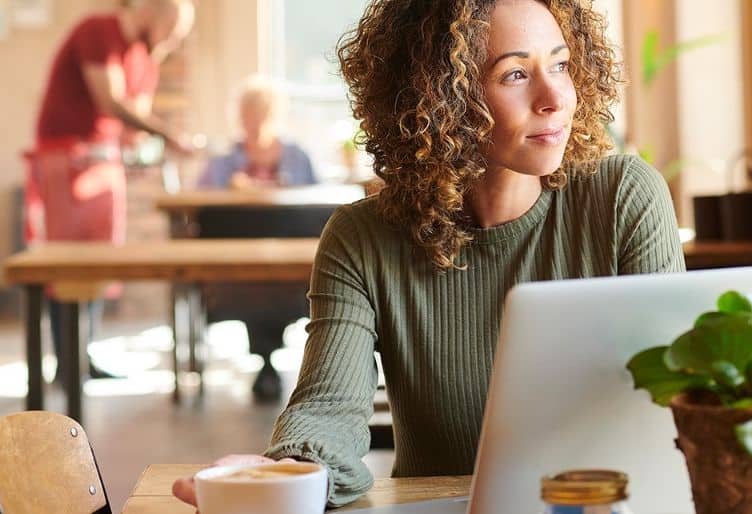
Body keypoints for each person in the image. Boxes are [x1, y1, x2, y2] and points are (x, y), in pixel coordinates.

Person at [173, 0, 684, 508]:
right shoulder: (362, 238)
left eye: (561, 64)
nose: (555, 97)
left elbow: (680, 398)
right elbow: (329, 408)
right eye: (513, 75)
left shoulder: (622, 198)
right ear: (442, 96)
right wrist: (288, 474)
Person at [25, 0, 196, 380]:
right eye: (172, 32)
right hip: (65, 157)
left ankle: (83, 357)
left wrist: (145, 149)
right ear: (155, 14)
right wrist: (168, 134)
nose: (170, 43)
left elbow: (132, 126)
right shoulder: (98, 31)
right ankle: (66, 363)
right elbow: (110, 100)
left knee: (101, 262)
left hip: (104, 162)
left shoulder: (145, 59)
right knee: (64, 262)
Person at [197, 77, 317, 401]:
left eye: (263, 111)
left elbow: (318, 209)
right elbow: (200, 212)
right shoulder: (221, 163)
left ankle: (266, 363)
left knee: (279, 285)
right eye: (249, 112)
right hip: (238, 273)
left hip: (290, 269)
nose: (256, 119)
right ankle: (266, 363)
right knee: (255, 285)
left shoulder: (298, 157)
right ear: (238, 116)